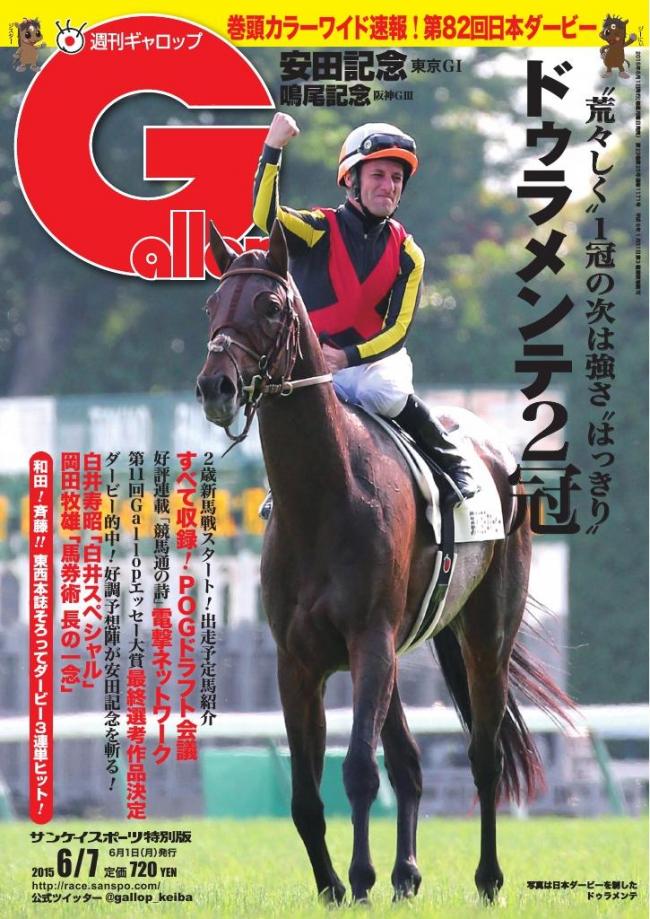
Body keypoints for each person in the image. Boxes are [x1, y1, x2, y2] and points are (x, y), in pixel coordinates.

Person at [253, 113, 476, 505]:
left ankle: (451, 460)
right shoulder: (317, 229)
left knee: (381, 391)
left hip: (375, 362)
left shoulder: (408, 252)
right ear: (351, 179)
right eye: (378, 175)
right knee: (296, 400)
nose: (388, 186)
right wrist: (272, 149)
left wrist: (348, 356)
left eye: (396, 178)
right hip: (318, 365)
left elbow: (398, 331)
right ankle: (283, 485)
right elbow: (264, 218)